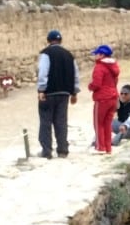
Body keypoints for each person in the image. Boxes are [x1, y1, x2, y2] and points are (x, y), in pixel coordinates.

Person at [36, 29, 79, 158]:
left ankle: (47, 151)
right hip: (64, 93)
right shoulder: (69, 55)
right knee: (61, 121)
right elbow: (75, 75)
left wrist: (41, 90)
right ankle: (62, 149)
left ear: (48, 41)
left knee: (46, 121)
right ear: (61, 41)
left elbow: (43, 72)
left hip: (49, 92)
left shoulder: (46, 53)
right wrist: (74, 92)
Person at [88, 44, 120, 154]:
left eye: (96, 54)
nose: (95, 56)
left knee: (98, 123)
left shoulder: (99, 67)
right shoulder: (114, 66)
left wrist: (90, 86)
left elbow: (97, 84)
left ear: (101, 55)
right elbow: (115, 81)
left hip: (102, 98)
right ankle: (108, 148)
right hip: (113, 97)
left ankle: (100, 147)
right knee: (107, 123)